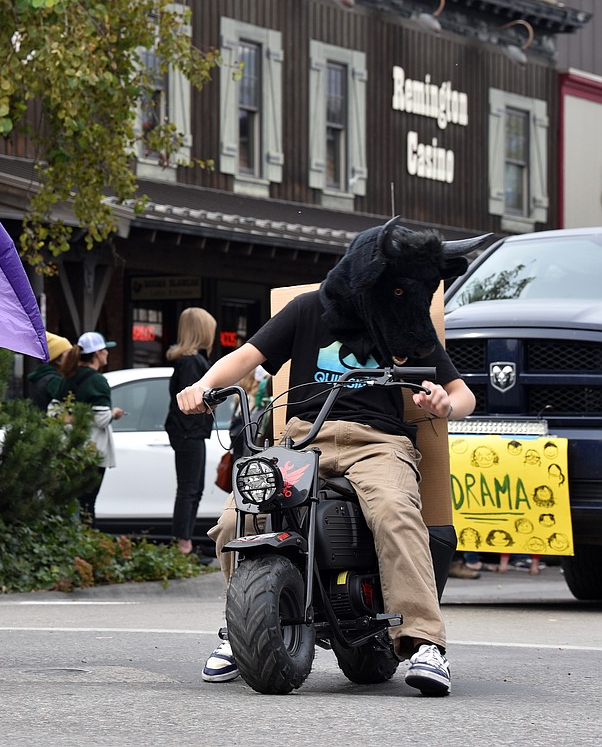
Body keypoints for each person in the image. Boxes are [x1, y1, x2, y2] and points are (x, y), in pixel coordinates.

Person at [178, 218, 488, 698]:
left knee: (394, 511)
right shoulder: (308, 309)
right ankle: (244, 630)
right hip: (303, 439)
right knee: (233, 520)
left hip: (378, 441)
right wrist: (201, 386)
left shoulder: (404, 320)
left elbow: (461, 393)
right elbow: (246, 357)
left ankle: (426, 642)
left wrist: (446, 405)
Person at [163, 308, 218, 555]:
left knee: (192, 488)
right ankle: (183, 544)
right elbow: (189, 402)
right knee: (189, 488)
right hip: (189, 432)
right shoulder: (192, 362)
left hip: (189, 432)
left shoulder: (189, 361)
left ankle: (185, 542)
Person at [58, 331, 125, 520]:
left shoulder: (67, 377)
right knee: (88, 504)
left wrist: (72, 417)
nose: (107, 354)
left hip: (69, 448)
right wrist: (113, 413)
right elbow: (101, 419)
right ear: (97, 354)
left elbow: (55, 414)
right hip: (93, 451)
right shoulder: (98, 381)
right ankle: (85, 541)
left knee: (71, 503)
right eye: (105, 350)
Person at [27, 332, 72, 411]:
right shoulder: (54, 381)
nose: (72, 357)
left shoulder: (41, 377)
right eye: (68, 353)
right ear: (58, 359)